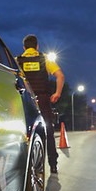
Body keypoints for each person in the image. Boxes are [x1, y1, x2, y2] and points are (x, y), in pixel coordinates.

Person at [16, 34, 65, 174]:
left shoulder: (17, 61)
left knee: (24, 132)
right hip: (43, 99)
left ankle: (23, 165)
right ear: (37, 46)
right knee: (48, 130)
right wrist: (57, 93)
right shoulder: (45, 59)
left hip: (25, 100)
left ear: (24, 47)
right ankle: (53, 165)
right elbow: (60, 76)